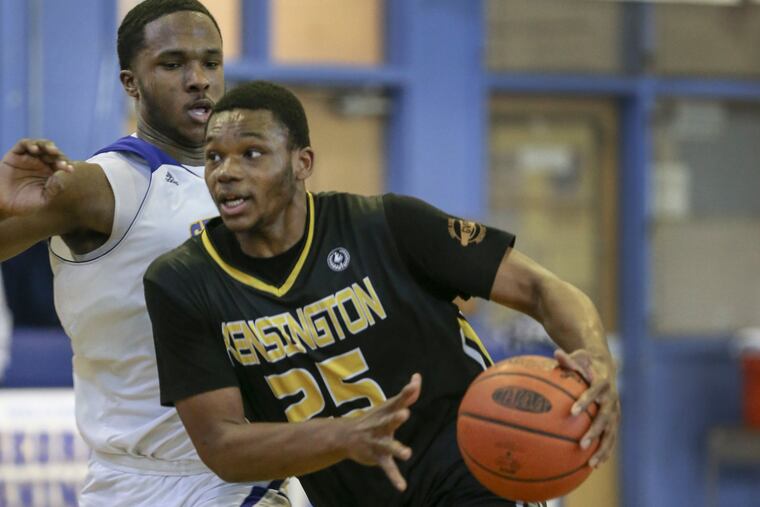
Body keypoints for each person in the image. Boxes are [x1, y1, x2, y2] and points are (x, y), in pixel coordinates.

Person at [143, 81, 621, 507]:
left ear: (302, 162)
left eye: (251, 153)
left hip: (473, 471)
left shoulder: (388, 225)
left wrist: (595, 359)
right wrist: (343, 436)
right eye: (213, 157)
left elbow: (542, 289)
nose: (225, 172)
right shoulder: (183, 282)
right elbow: (221, 447)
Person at [0, 1, 287, 505]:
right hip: (146, 481)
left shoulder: (247, 185)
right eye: (173, 64)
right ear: (131, 83)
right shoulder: (103, 183)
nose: (198, 79)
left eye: (211, 62)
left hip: (248, 473)